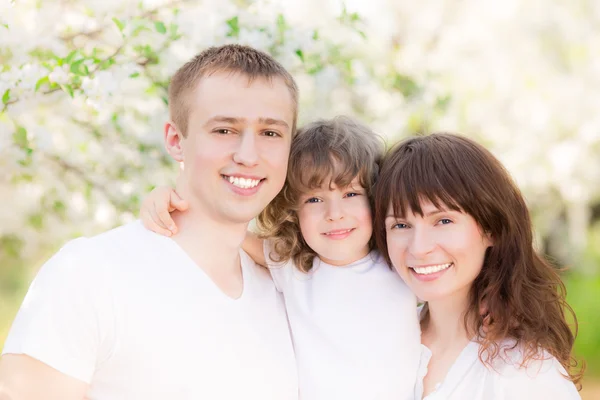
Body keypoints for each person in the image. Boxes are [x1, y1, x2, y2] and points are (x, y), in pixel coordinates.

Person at [0, 45, 299, 400]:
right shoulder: (89, 273)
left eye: (270, 133)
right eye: (224, 130)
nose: (248, 155)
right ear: (175, 140)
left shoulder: (291, 290)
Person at [141, 116, 422, 400]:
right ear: (292, 211)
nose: (334, 213)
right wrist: (165, 197)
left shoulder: (400, 263)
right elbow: (220, 226)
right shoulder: (296, 267)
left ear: (374, 198)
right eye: (314, 199)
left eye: (351, 193)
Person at [373, 133, 584, 399]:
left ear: (491, 228)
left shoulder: (525, 373)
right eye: (400, 225)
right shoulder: (380, 341)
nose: (419, 247)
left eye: (443, 221)